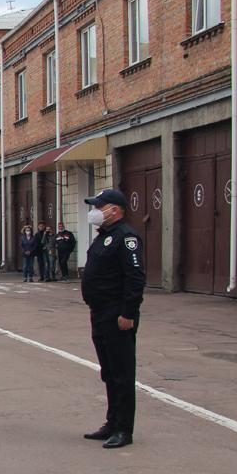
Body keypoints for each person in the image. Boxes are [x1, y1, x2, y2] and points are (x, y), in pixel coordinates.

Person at [80, 189, 145, 449]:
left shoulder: (126, 237)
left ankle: (123, 430)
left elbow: (135, 278)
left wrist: (128, 313)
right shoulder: (104, 236)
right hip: (99, 312)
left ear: (114, 210)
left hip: (117, 314)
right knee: (108, 371)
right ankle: (112, 422)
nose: (95, 211)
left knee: (122, 373)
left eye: (99, 206)